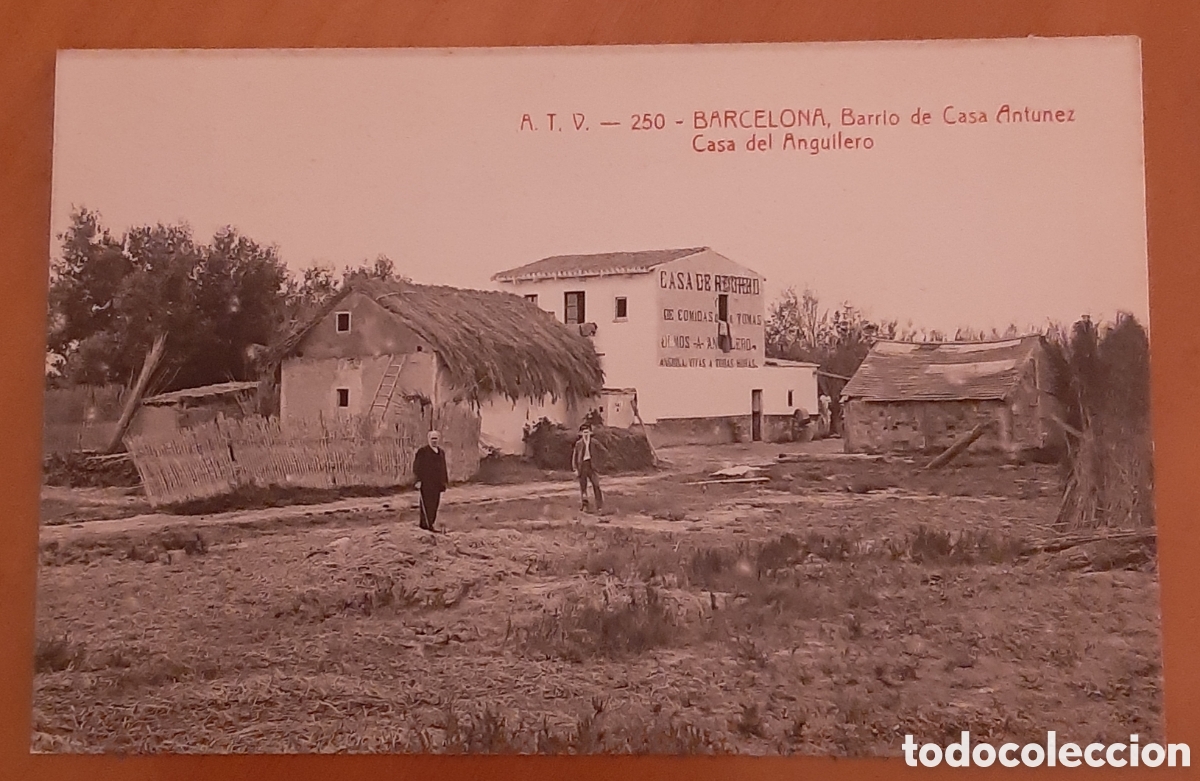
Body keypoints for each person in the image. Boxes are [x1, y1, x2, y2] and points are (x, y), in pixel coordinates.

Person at [413, 430, 449, 531]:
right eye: (432, 438)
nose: (434, 441)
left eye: (436, 438)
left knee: (435, 505)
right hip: (426, 483)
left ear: (439, 439)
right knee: (426, 504)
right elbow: (417, 467)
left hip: (437, 484)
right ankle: (425, 525)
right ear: (428, 439)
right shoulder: (423, 452)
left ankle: (431, 524)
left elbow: (443, 467)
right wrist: (418, 480)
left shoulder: (441, 452)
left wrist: (444, 481)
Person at [572, 423, 603, 512]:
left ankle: (599, 506)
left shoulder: (594, 442)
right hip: (582, 466)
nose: (585, 434)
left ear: (590, 433)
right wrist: (575, 469)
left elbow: (603, 452)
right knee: (583, 487)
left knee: (596, 485)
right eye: (584, 433)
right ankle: (585, 505)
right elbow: (574, 457)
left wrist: (599, 463)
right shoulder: (578, 444)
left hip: (592, 466)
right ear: (581, 434)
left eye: (587, 432)